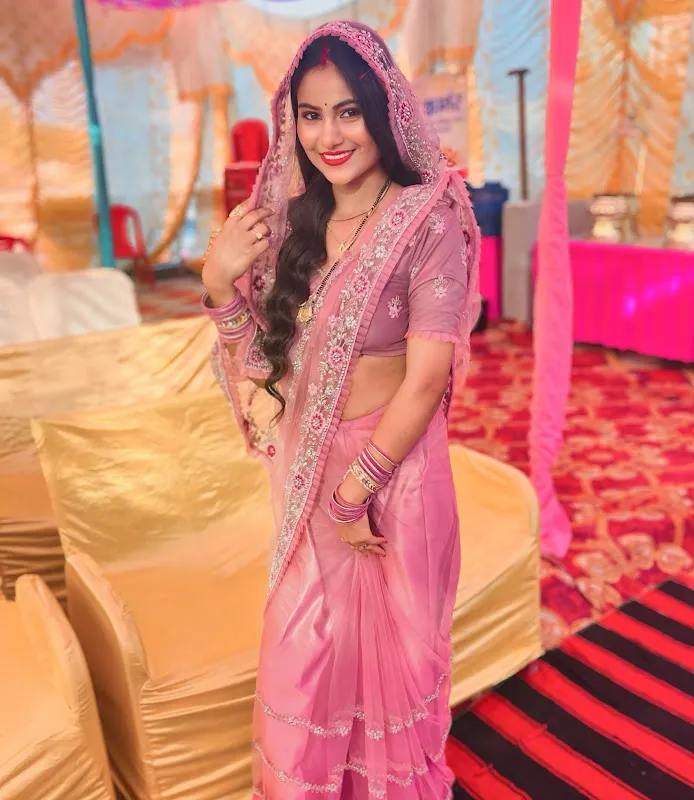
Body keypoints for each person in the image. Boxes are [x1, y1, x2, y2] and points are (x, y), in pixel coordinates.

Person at [201, 21, 480, 799]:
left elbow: (426, 378)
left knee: (396, 668)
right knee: (303, 665)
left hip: (392, 480)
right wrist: (220, 286)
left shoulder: (426, 217)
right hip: (310, 475)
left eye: (349, 112)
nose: (329, 135)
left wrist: (357, 492)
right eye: (312, 115)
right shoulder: (295, 223)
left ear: (384, 112)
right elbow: (267, 373)